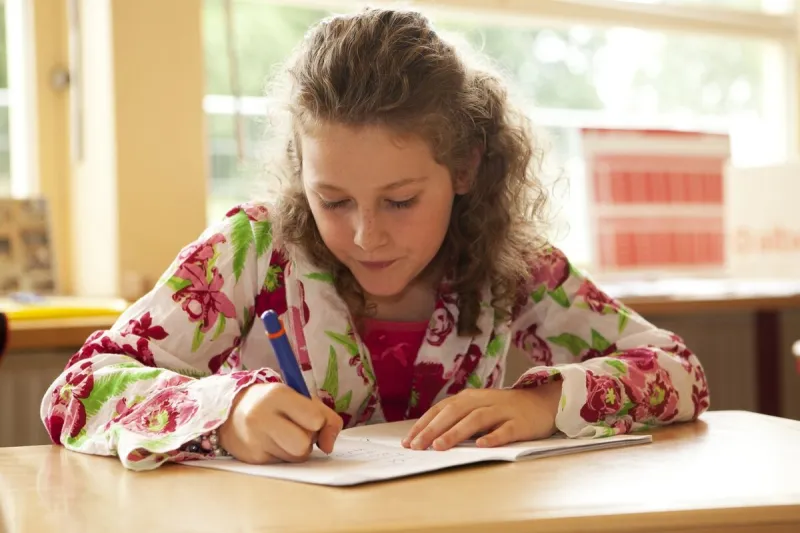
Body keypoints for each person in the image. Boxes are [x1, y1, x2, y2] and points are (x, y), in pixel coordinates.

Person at [40, 7, 710, 471]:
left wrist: (540, 403)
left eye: (400, 200)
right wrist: (226, 409)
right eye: (332, 199)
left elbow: (681, 373)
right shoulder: (251, 248)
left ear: (466, 167)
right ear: (302, 174)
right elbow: (76, 390)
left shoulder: (513, 265)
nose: (365, 234)